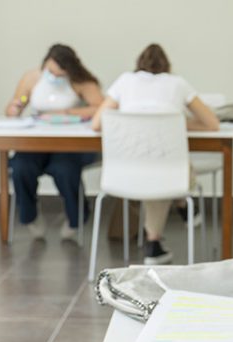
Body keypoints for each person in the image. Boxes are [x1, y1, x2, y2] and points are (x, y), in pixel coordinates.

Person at [92, 43, 219, 265]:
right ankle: (159, 234)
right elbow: (212, 124)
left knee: (154, 171)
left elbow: (97, 123)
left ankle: (157, 238)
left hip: (125, 174)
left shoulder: (124, 81)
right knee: (167, 171)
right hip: (169, 173)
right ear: (166, 66)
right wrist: (177, 123)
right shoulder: (177, 83)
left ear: (138, 65)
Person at [5, 44, 104, 240]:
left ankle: (77, 217)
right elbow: (14, 106)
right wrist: (15, 107)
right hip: (37, 143)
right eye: (50, 72)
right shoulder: (32, 79)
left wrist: (67, 113)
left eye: (59, 74)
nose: (54, 77)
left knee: (64, 169)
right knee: (21, 166)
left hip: (70, 145)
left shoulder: (82, 82)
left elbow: (100, 108)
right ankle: (30, 216)